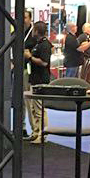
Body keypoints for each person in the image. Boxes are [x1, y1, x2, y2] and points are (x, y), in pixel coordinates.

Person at [25, 22, 52, 144]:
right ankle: (36, 132)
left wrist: (30, 57)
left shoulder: (45, 45)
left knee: (40, 109)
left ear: (36, 31)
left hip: (41, 80)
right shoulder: (38, 43)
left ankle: (42, 135)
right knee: (33, 108)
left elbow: (44, 62)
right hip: (35, 79)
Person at [22, 10, 37, 140]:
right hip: (18, 69)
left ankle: (35, 130)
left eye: (25, 17)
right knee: (19, 101)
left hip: (30, 70)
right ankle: (21, 127)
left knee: (29, 101)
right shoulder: (17, 32)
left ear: (30, 19)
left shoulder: (34, 35)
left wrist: (30, 56)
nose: (23, 20)